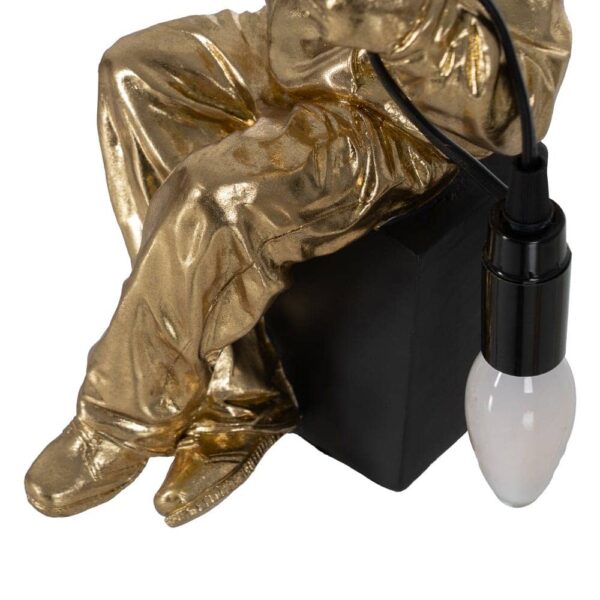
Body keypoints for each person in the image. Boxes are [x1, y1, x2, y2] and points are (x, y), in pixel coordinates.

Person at [25, 0, 571, 526]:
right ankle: (241, 385)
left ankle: (123, 416)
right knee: (136, 72)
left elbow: (519, 111)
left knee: (215, 202)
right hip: (293, 47)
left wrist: (405, 24)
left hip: (393, 122)